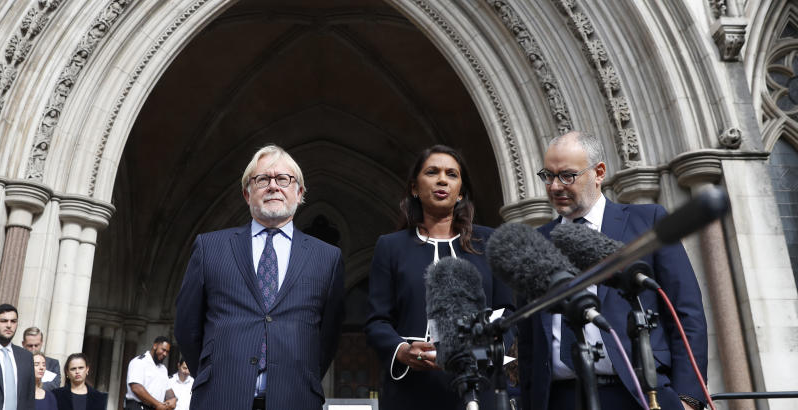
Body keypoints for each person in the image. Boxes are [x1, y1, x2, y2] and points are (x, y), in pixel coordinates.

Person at [517, 131, 708, 410]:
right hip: (560, 399)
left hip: (639, 394)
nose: (555, 186)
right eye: (548, 175)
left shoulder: (647, 223)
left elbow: (686, 312)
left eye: (567, 175)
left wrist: (689, 398)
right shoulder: (535, 244)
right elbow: (529, 339)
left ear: (599, 172)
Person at [175, 144, 346, 410]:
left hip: (295, 399)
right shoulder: (210, 247)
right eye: (262, 179)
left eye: (283, 179)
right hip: (219, 398)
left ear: (299, 193)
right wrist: (215, 375)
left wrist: (301, 379)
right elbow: (187, 326)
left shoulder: (327, 258)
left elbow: (328, 336)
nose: (273, 186)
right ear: (247, 193)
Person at [365, 145, 514, 409]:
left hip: (479, 387)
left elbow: (509, 314)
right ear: (414, 188)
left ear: (460, 193)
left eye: (451, 174)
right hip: (413, 389)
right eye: (432, 172)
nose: (442, 179)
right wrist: (402, 351)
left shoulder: (489, 242)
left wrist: (481, 352)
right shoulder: (391, 247)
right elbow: (378, 321)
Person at [124, 336, 176, 410]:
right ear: (155, 346)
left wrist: (173, 399)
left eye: (167, 352)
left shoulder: (163, 369)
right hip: (137, 407)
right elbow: (136, 388)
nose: (165, 354)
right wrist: (157, 404)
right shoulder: (139, 362)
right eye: (163, 350)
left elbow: (168, 390)